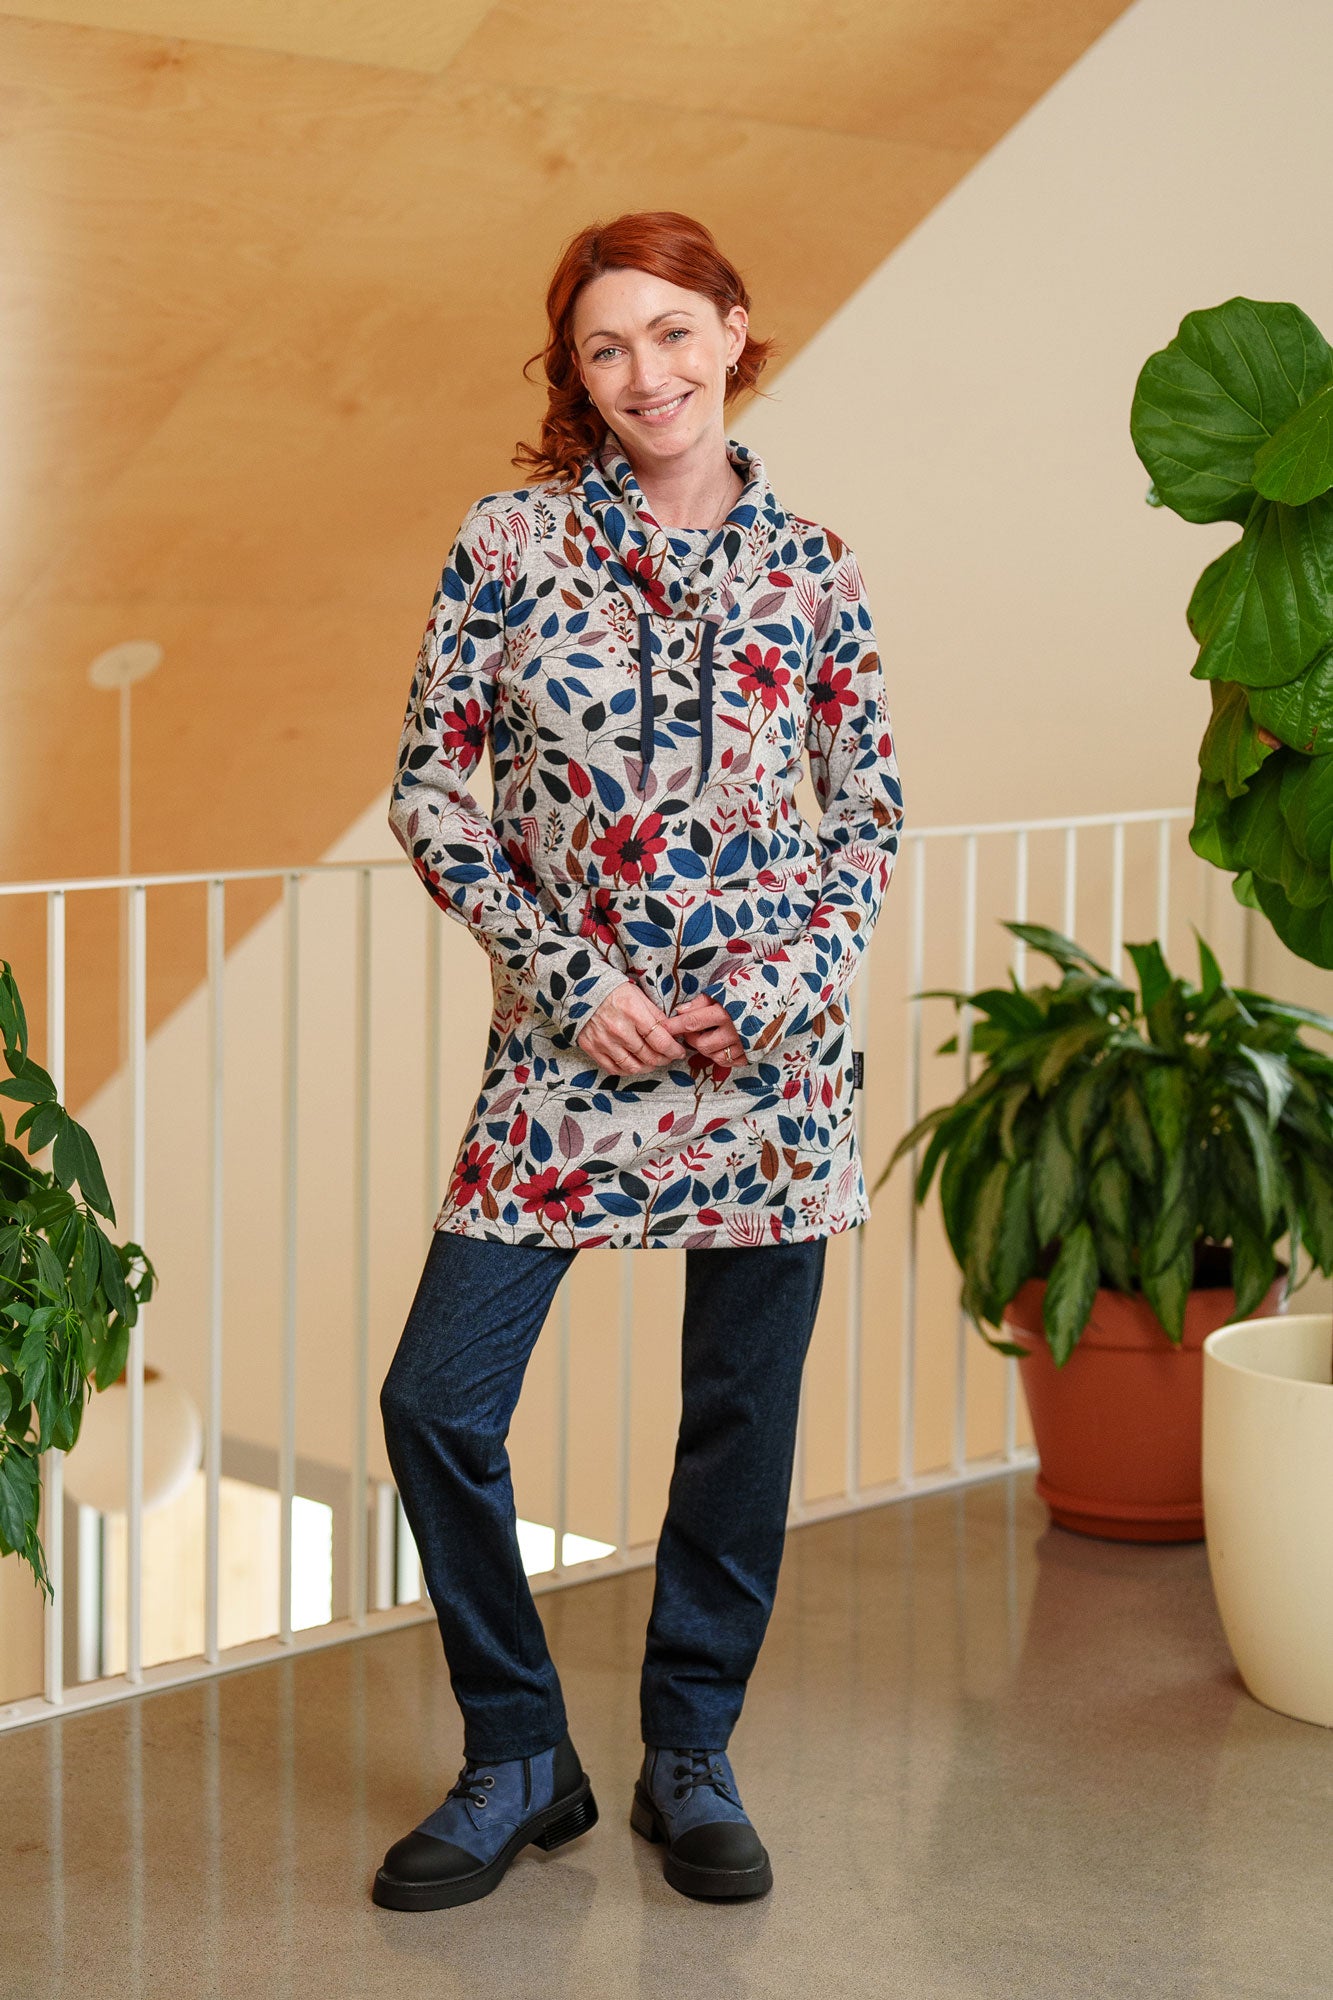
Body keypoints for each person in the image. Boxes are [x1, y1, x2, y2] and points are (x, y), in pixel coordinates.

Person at [373, 209, 904, 1912]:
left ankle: (691, 1751)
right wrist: (559, 976)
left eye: (673, 333)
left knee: (737, 1423)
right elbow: (433, 787)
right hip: (566, 1048)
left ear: (735, 333)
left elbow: (866, 811)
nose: (644, 374)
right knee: (436, 1399)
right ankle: (518, 1750)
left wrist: (781, 989)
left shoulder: (813, 565)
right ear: (575, 375)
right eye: (606, 348)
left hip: (767, 1071)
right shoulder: (510, 539)